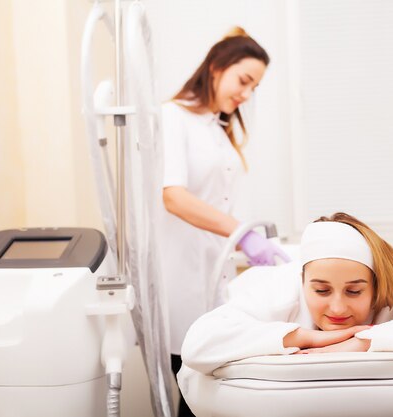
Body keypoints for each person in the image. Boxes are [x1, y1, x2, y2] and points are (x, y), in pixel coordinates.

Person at [179, 212, 393, 417]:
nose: (338, 308)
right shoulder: (281, 289)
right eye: (321, 291)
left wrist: (362, 341)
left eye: (355, 291)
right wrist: (304, 336)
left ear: (375, 285)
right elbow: (197, 347)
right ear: (303, 281)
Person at [159, 27, 289, 416]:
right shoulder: (172, 117)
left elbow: (218, 201)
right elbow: (174, 197)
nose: (246, 94)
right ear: (216, 67)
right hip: (180, 275)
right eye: (244, 81)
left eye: (254, 88)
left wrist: (244, 240)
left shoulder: (216, 127)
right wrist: (243, 234)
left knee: (212, 392)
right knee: (191, 387)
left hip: (215, 273)